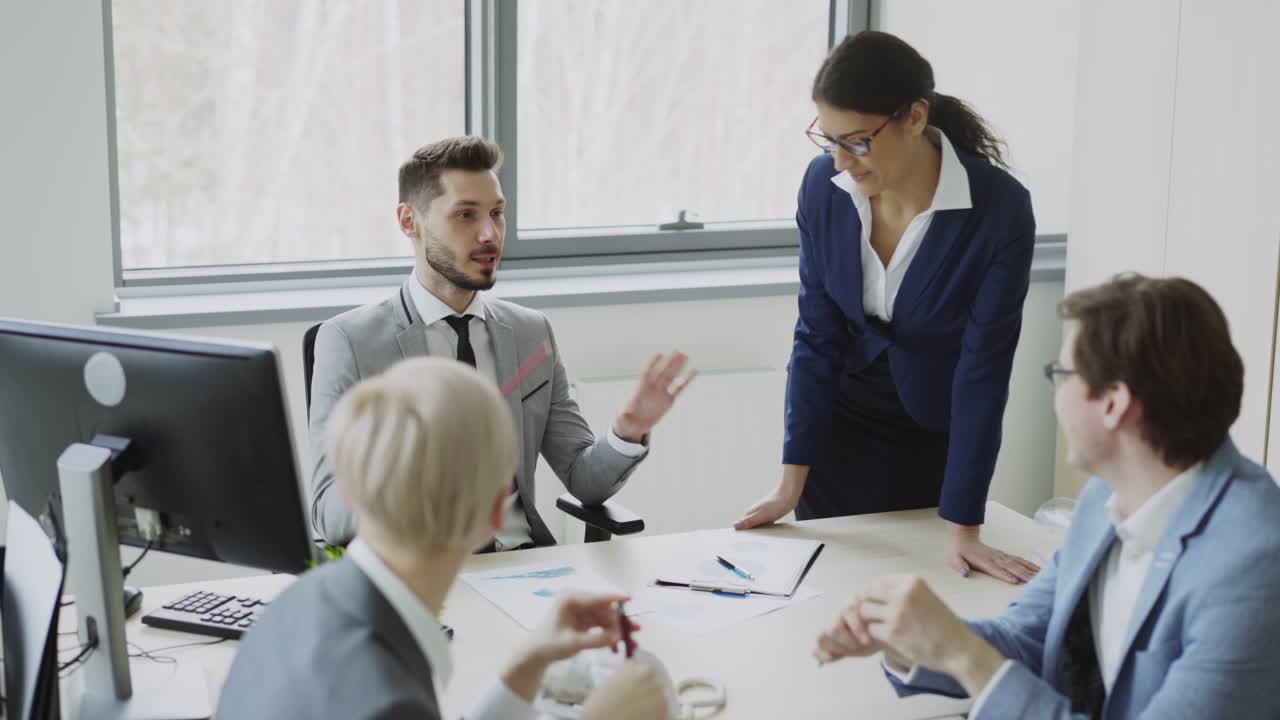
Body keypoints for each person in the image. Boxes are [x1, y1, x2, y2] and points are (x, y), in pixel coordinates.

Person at [813, 274, 1280, 718]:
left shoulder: (1253, 567)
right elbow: (1030, 639)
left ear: (1114, 403)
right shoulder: (1107, 498)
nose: (1055, 393)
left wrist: (960, 652)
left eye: (1061, 374)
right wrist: (911, 638)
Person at [736, 30, 1038, 585]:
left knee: (925, 600)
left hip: (930, 433)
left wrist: (966, 528)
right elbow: (816, 336)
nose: (840, 160)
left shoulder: (999, 212)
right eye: (827, 139)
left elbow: (983, 371)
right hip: (839, 430)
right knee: (830, 595)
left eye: (856, 140)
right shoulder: (823, 188)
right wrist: (790, 482)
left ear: (915, 117)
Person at [218, 357, 670, 720]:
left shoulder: (300, 601)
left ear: (348, 492)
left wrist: (527, 665)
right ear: (497, 512)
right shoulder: (387, 700)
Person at [310, 136, 696, 549]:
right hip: (422, 575)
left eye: (497, 213)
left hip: (522, 566)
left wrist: (628, 430)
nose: (489, 234)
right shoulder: (349, 340)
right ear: (409, 221)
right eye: (465, 215)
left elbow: (584, 482)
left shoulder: (531, 332)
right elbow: (329, 514)